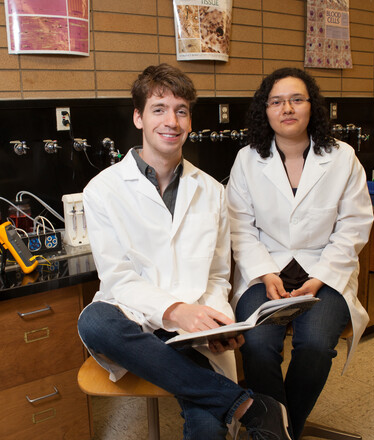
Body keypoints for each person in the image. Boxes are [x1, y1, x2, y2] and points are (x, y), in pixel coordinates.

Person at [77, 63, 292, 440]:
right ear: (139, 117)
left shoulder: (212, 191)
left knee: (207, 427)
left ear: (190, 121)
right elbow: (118, 279)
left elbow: (218, 277)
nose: (171, 121)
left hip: (194, 328)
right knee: (94, 321)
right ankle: (250, 406)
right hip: (135, 319)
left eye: (181, 110)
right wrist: (176, 311)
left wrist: (219, 322)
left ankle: (227, 400)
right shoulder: (102, 190)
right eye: (159, 109)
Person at [226, 67, 374, 440]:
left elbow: (354, 225)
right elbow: (239, 226)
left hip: (324, 269)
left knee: (316, 346)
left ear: (312, 106)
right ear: (265, 110)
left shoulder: (342, 157)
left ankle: (277, 430)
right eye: (276, 101)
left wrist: (321, 277)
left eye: (296, 99)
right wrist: (265, 273)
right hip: (266, 269)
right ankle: (277, 430)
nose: (287, 108)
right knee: (257, 345)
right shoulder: (247, 159)